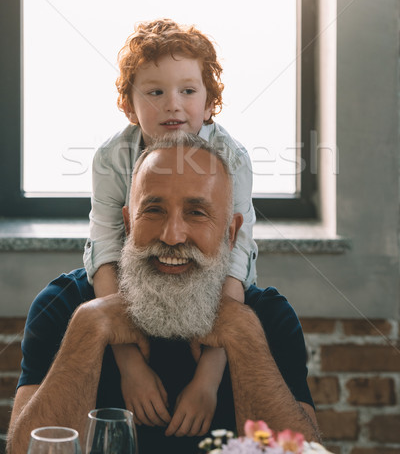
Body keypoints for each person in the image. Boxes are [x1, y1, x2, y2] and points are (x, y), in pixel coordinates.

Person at [7, 135, 319, 454]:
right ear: (128, 224)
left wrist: (243, 335)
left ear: (231, 234)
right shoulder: (64, 304)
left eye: (196, 213)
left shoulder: (268, 317)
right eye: (154, 210)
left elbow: (304, 450)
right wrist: (88, 329)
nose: (172, 236)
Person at [84, 18, 258, 435]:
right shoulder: (112, 158)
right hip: (138, 286)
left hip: (206, 292)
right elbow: (105, 244)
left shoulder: (231, 158)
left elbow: (239, 254)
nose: (173, 105)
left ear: (210, 102)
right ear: (129, 105)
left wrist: (210, 375)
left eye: (188, 91)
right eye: (155, 92)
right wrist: (128, 362)